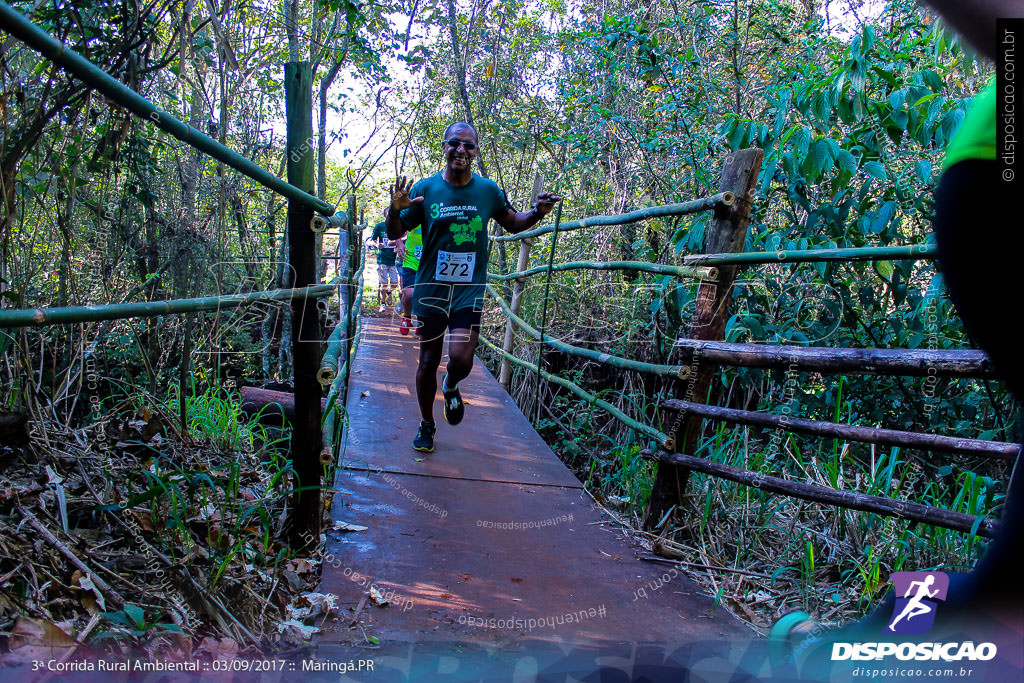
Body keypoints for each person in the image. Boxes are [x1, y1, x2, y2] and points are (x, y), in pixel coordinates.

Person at [386, 122, 561, 452]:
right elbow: (395, 229)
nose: (461, 151)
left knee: (462, 358)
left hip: (468, 291)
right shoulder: (426, 189)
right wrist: (394, 210)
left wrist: (539, 211)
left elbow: (512, 222)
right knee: (427, 361)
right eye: (455, 144)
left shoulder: (487, 190)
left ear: (476, 151)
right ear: (445, 146)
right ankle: (426, 424)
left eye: (468, 146)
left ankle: (452, 384)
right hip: (432, 290)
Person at [367, 221, 399, 313]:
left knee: (395, 282)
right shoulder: (380, 226)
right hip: (382, 259)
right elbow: (371, 240)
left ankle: (389, 292)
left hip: (393, 260)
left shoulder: (398, 226)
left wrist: (398, 247)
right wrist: (377, 245)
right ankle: (383, 303)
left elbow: (401, 240)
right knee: (384, 283)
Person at [395, 226, 422, 336]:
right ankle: (407, 316)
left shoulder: (438, 213)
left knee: (423, 294)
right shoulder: (414, 212)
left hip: (429, 261)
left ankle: (421, 320)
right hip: (410, 259)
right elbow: (395, 226)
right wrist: (399, 243)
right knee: (409, 293)